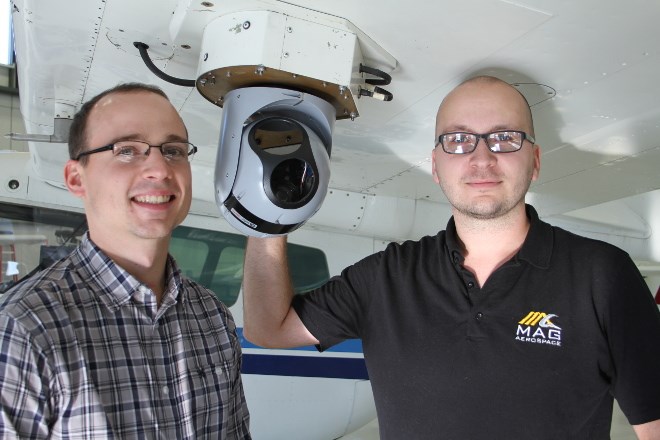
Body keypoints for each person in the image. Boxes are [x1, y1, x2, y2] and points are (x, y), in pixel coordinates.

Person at [242, 75, 660, 439]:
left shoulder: (602, 275)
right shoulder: (386, 277)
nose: (482, 157)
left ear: (534, 161)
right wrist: (269, 219)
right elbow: (269, 329)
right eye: (458, 140)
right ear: (437, 165)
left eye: (504, 137)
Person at [0, 83, 251, 438]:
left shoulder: (212, 316)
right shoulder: (23, 328)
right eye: (127, 150)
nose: (160, 169)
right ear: (76, 178)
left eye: (174, 150)